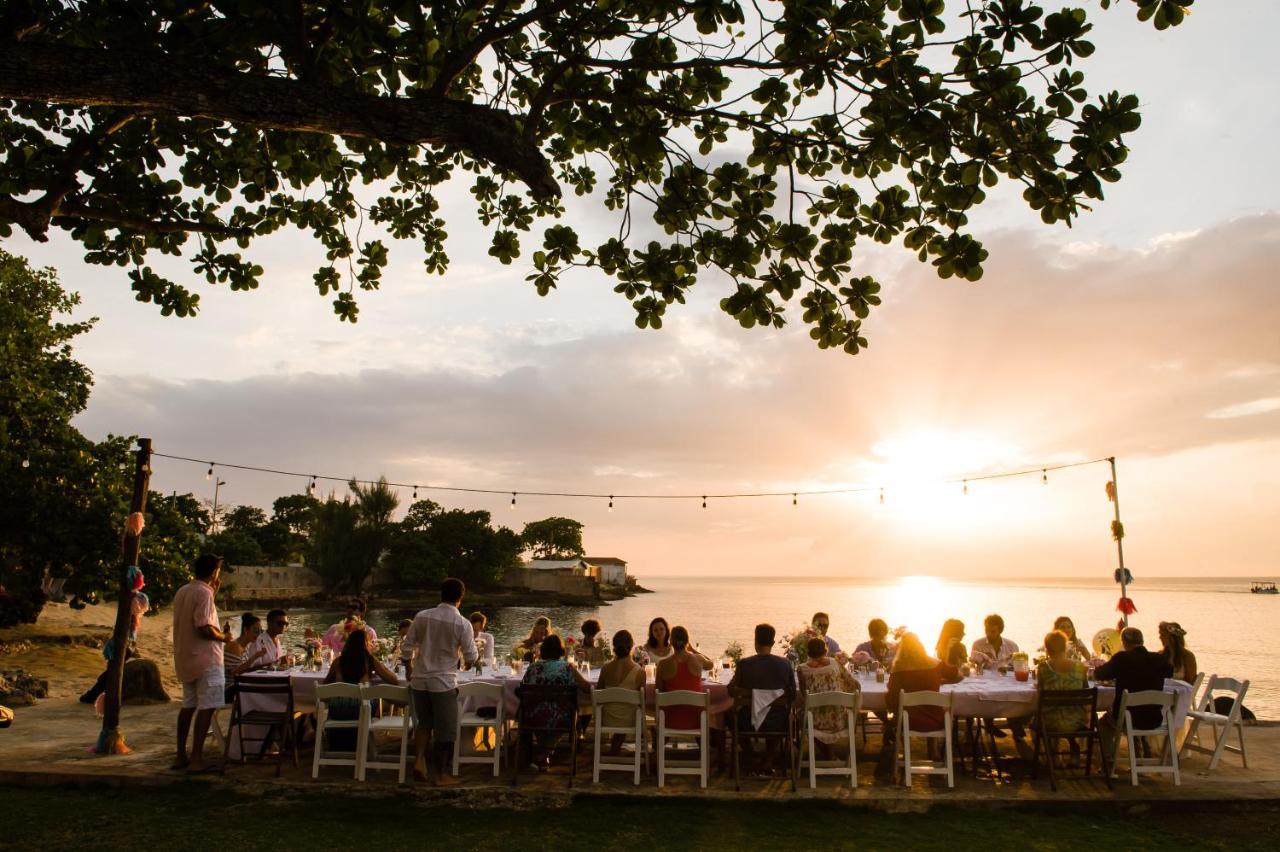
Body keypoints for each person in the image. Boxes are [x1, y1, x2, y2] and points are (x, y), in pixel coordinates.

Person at [402, 577, 478, 786]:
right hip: (442, 683)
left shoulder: (422, 616)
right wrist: (466, 663)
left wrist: (409, 667)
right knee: (445, 731)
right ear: (460, 598)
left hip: (419, 680)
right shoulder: (462, 624)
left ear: (441, 594)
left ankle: (419, 762)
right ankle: (441, 774)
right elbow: (471, 656)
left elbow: (407, 646)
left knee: (424, 724)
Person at [171, 554, 231, 773]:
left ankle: (181, 755)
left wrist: (212, 592)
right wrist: (224, 637)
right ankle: (196, 758)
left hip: (186, 657)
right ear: (214, 571)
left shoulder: (183, 591)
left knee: (188, 706)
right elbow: (204, 627)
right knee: (207, 707)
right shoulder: (204, 593)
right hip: (206, 659)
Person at [875, 632, 961, 779]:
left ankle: (904, 753)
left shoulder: (899, 669)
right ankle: (934, 753)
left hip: (909, 722)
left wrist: (891, 718)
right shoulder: (935, 664)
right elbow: (959, 675)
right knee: (918, 710)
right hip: (936, 720)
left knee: (901, 714)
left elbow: (891, 699)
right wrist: (941, 681)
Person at [319, 628, 400, 750]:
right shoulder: (369, 660)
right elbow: (394, 681)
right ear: (366, 644)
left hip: (338, 711)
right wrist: (382, 668)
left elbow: (324, 687)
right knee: (375, 697)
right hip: (362, 710)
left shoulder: (338, 662)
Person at [519, 634, 592, 767]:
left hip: (532, 717)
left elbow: (523, 689)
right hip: (561, 718)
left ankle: (543, 751)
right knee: (566, 715)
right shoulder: (567, 668)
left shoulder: (533, 668)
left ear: (544, 650)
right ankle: (545, 752)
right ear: (561, 650)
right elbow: (587, 689)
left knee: (542, 713)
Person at [1094, 626, 1174, 734]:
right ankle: (1143, 747)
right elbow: (1170, 673)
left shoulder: (1122, 658)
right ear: (1142, 641)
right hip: (1154, 719)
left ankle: (1109, 751)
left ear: (1124, 642)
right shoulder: (1158, 658)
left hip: (1127, 718)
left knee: (1103, 724)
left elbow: (1100, 675)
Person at [728, 623, 796, 733]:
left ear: (756, 641)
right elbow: (793, 694)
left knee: (728, 715)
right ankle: (772, 748)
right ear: (773, 643)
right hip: (778, 721)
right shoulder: (785, 664)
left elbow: (731, 691)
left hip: (748, 722)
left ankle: (748, 749)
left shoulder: (744, 664)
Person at [797, 636, 860, 751]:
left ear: (808, 653)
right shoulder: (835, 663)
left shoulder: (801, 669)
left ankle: (826, 753)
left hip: (814, 723)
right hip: (839, 721)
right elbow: (853, 685)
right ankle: (829, 753)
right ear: (826, 650)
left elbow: (803, 694)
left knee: (799, 715)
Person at [1036, 629, 1090, 762]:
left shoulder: (1043, 668)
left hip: (1051, 722)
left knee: (1037, 720)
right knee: (1067, 710)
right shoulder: (1080, 667)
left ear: (1047, 649)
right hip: (1077, 721)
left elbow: (1040, 691)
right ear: (1065, 647)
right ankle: (1073, 747)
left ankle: (1051, 756)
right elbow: (1085, 691)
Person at [596, 630, 645, 754]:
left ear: (614, 646)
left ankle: (614, 749)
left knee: (618, 707)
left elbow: (598, 693)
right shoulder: (639, 671)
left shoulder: (606, 668)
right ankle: (616, 749)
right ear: (632, 646)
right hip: (629, 720)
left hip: (607, 719)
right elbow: (641, 702)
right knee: (629, 709)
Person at [656, 626, 712, 730]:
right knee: (697, 709)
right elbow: (710, 664)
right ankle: (703, 744)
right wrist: (693, 650)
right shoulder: (698, 659)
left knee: (665, 708)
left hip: (669, 719)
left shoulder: (662, 664)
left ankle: (660, 742)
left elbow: (658, 690)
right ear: (687, 641)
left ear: (671, 642)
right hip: (696, 718)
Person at [223, 613, 269, 698]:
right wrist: (255, 657)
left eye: (260, 631)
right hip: (230, 689)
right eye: (255, 631)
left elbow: (244, 670)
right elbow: (234, 673)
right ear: (246, 630)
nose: (258, 634)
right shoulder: (234, 646)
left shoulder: (246, 646)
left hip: (239, 685)